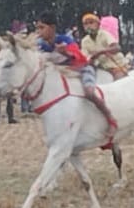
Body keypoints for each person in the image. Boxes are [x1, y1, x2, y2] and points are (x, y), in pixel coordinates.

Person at [36, 11, 116, 139]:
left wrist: (65, 53)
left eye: (42, 27)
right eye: (37, 28)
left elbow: (79, 59)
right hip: (63, 76)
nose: (39, 31)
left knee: (89, 93)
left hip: (82, 69)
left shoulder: (65, 40)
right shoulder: (40, 45)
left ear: (52, 28)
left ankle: (110, 119)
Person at [80, 13, 127, 81]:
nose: (88, 26)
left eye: (91, 23)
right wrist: (92, 58)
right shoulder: (84, 41)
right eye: (86, 24)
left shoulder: (104, 34)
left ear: (98, 25)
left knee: (119, 81)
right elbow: (85, 59)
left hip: (116, 66)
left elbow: (117, 48)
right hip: (101, 68)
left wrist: (101, 52)